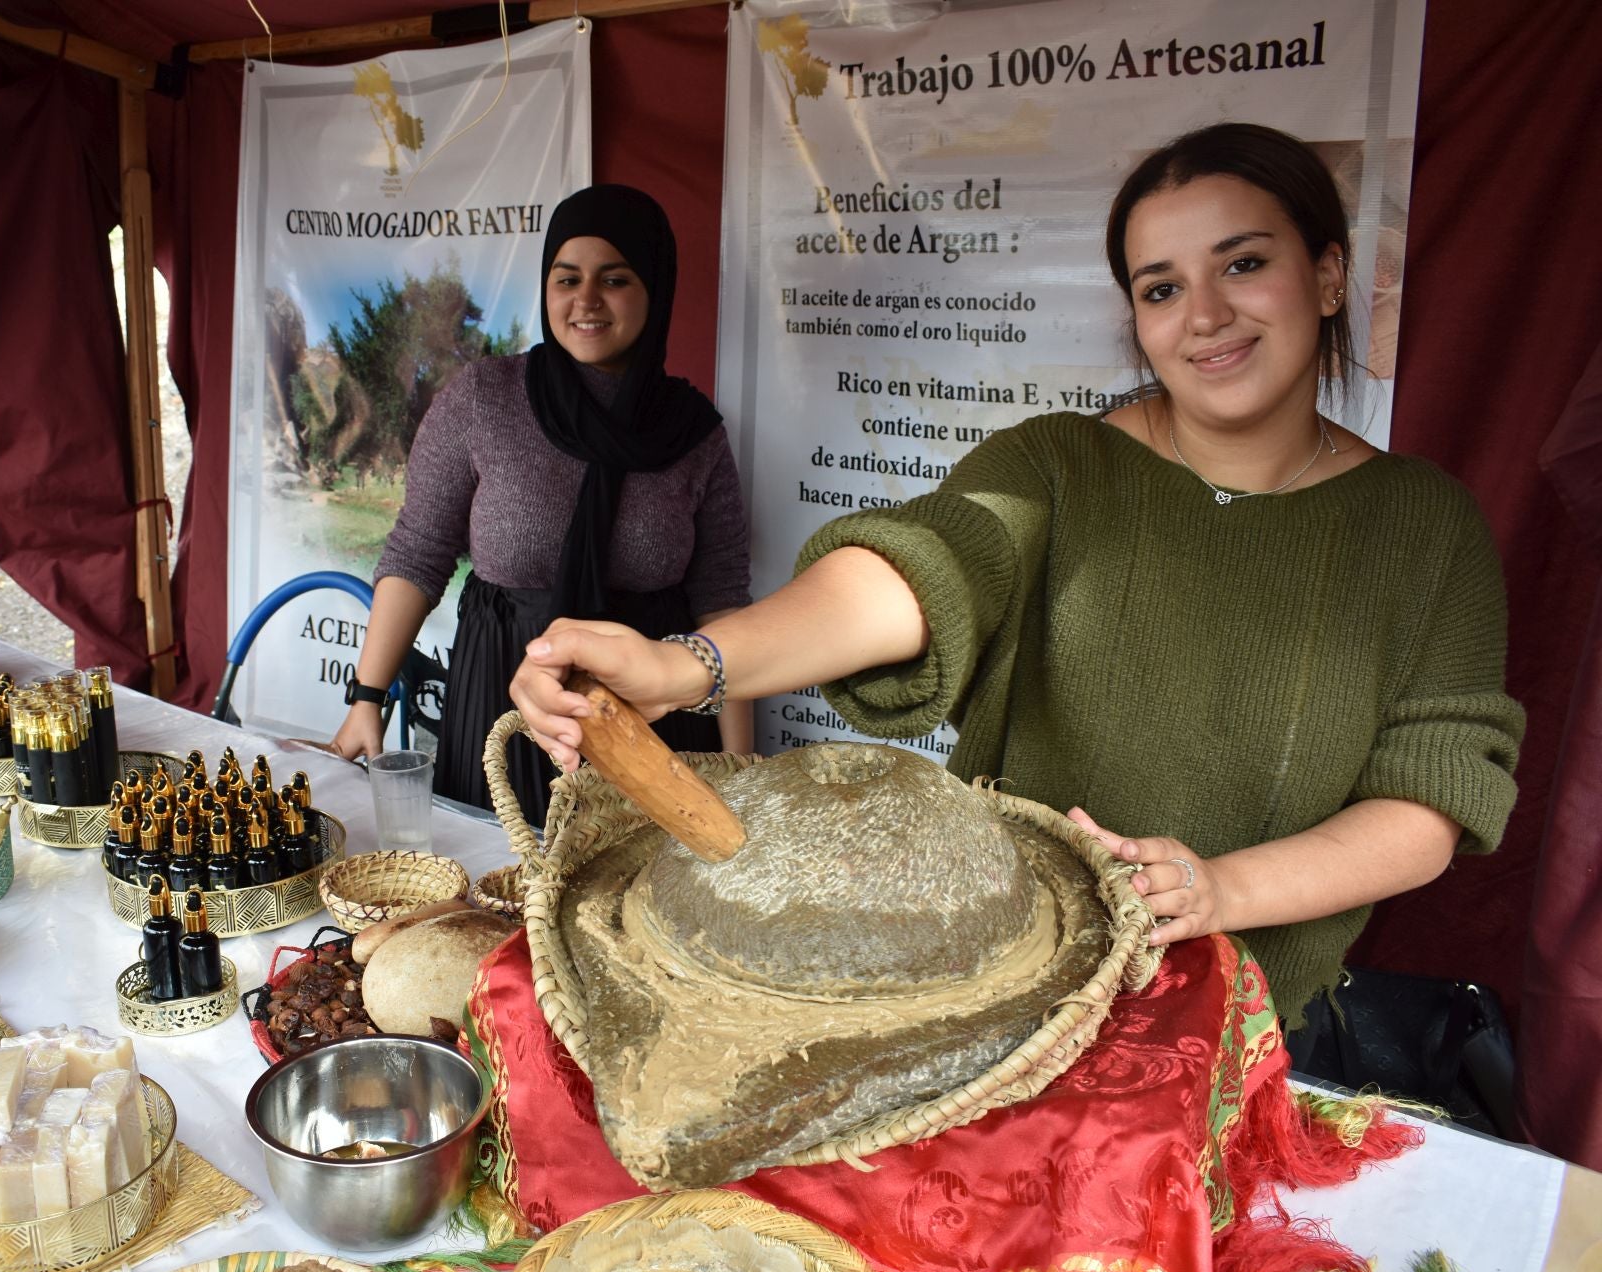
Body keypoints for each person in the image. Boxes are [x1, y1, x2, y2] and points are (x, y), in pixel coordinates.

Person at [510, 124, 1524, 1032]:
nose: (1205, 315)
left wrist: (1217, 888)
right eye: (1161, 287)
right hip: (1006, 995)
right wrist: (685, 664)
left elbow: (1427, 804)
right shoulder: (1056, 465)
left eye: (1245, 263)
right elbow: (916, 570)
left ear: (1330, 274)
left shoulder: (1426, 527)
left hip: (1254, 1024)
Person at [330, 184, 753, 825]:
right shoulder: (484, 399)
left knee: (641, 908)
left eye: (614, 279)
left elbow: (721, 601)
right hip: (500, 709)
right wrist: (367, 700)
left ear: (655, 290)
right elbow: (418, 553)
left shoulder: (694, 433)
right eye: (567, 277)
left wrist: (740, 762)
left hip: (655, 724)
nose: (586, 300)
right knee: (495, 903)